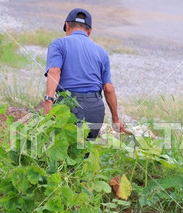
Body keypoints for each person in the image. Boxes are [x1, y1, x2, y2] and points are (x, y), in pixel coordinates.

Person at [43, 8, 125, 139]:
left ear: (67, 25)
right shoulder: (101, 52)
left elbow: (55, 71)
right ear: (89, 31)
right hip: (96, 109)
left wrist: (49, 101)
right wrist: (116, 119)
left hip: (70, 106)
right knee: (84, 152)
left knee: (63, 151)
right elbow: (108, 88)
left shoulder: (58, 44)